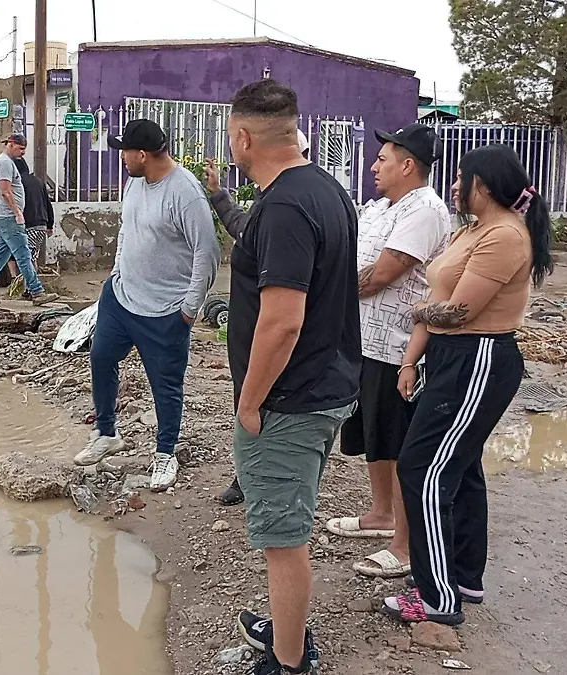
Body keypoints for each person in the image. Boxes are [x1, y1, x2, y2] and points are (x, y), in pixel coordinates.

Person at [382, 144, 553, 625]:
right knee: (461, 467)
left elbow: (459, 311)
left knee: (423, 470)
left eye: (462, 178)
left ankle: (437, 597)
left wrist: (413, 314)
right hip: (450, 356)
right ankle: (463, 578)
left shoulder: (505, 236)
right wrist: (410, 361)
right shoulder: (473, 230)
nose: (454, 185)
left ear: (484, 184)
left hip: (478, 357)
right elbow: (441, 295)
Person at [224, 80, 360, 674]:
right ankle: (289, 628)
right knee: (288, 521)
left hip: (289, 398)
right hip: (323, 384)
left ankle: (288, 660)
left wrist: (251, 402)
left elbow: (281, 321)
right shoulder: (326, 189)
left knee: (283, 537)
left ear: (244, 137)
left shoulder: (281, 206)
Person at [322, 124, 450, 581]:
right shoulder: (379, 208)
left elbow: (380, 276)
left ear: (408, 164)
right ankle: (381, 514)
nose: (374, 166)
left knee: (398, 442)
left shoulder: (426, 211)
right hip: (364, 339)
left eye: (383, 158)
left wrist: (328, 290)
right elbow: (346, 258)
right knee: (374, 434)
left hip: (398, 344)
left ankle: (405, 544)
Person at [73, 119, 220, 492]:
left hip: (165, 310)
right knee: (101, 357)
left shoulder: (186, 193)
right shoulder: (135, 182)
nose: (121, 157)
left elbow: (208, 252)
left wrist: (189, 308)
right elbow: (128, 229)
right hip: (121, 297)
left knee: (165, 386)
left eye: (125, 151)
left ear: (142, 154)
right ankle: (107, 433)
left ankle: (165, 453)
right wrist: (114, 274)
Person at [201, 129, 311, 508]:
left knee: (263, 403)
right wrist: (218, 194)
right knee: (248, 398)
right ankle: (249, 474)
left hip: (275, 332)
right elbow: (244, 230)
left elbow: (286, 316)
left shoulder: (292, 206)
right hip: (251, 332)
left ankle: (267, 482)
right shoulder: (271, 199)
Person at [0, 133, 58, 306]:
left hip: (5, 216)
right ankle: (37, 292)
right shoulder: (4, 163)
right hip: (10, 217)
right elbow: (5, 191)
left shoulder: (6, 162)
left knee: (2, 255)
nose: (23, 153)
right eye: (21, 148)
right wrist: (17, 211)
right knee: (24, 255)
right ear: (11, 144)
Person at [14, 156, 54, 271]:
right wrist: (50, 224)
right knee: (32, 257)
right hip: (41, 224)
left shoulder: (17, 182)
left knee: (26, 258)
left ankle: (32, 286)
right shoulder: (38, 181)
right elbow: (47, 203)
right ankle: (33, 284)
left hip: (27, 224)